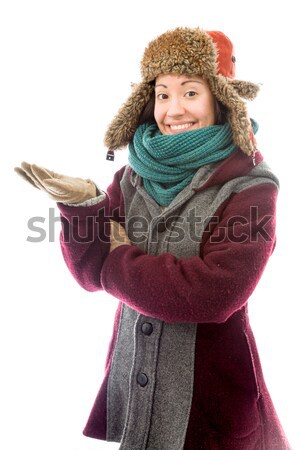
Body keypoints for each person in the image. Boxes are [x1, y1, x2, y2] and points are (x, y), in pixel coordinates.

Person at [15, 27, 291, 450]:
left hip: (208, 403)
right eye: (162, 94)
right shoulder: (130, 176)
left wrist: (120, 256)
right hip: (136, 392)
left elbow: (211, 294)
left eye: (190, 92)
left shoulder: (252, 188)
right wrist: (83, 208)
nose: (173, 109)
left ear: (221, 99)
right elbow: (90, 274)